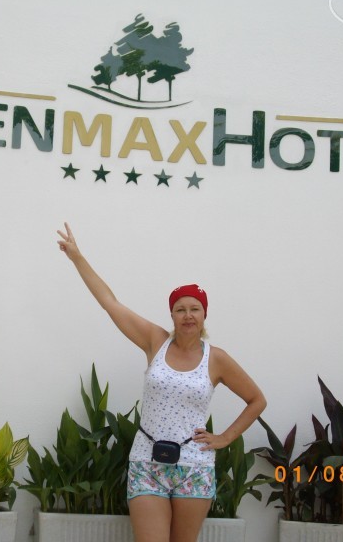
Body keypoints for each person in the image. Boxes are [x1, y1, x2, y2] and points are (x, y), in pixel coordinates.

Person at [56, 223, 267, 542]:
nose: (188, 315)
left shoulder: (217, 359)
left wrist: (225, 437)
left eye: (194, 309)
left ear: (204, 315)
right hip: (147, 461)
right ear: (172, 315)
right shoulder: (155, 341)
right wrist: (77, 257)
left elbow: (257, 400)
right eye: (180, 309)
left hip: (194, 466)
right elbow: (110, 302)